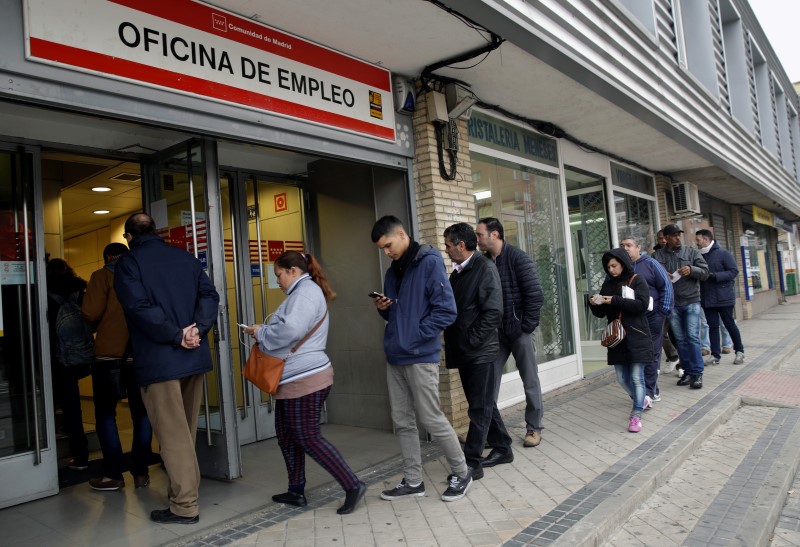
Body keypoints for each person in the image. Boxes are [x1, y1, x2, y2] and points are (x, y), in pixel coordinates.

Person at [114, 213, 219, 525]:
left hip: (161, 361)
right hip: (193, 358)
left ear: (128, 236)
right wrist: (197, 330)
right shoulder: (185, 258)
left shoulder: (128, 263)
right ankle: (185, 494)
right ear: (156, 232)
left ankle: (185, 505)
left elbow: (137, 307)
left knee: (173, 436)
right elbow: (210, 295)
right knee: (184, 430)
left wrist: (176, 336)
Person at [243, 251, 366, 515]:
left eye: (279, 275)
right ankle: (296, 490)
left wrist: (261, 331)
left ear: (293, 272)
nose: (277, 281)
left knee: (307, 437)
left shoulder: (305, 293)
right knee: (287, 437)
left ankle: (352, 484)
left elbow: (290, 331)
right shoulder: (302, 293)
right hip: (293, 379)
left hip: (306, 379)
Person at [370, 215, 473, 503]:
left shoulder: (428, 262)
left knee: (431, 417)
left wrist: (415, 334)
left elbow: (446, 311)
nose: (387, 252)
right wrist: (383, 308)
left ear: (402, 234)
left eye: (389, 245)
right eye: (382, 249)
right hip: (396, 355)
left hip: (419, 355)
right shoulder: (392, 272)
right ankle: (414, 481)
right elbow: (395, 314)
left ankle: (462, 472)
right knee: (402, 421)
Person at [82, 243, 153, 491]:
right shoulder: (144, 275)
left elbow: (90, 312)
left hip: (108, 356)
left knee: (105, 416)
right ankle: (141, 472)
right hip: (141, 353)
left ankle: (113, 475)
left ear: (107, 258)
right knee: (142, 415)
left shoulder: (102, 276)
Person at [442, 223, 509, 474]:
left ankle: (472, 461)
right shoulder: (458, 272)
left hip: (481, 351)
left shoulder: (484, 268)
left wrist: (471, 340)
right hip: (465, 351)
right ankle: (503, 446)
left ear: (461, 245)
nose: (446, 249)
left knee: (479, 408)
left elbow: (493, 312)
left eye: (448, 245)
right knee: (481, 403)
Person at [475, 218, 545, 448]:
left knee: (530, 380)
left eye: (480, 234)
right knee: (488, 383)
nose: (477, 239)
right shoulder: (483, 262)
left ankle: (534, 428)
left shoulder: (518, 258)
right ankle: (486, 432)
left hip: (518, 331)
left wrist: (525, 327)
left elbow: (535, 295)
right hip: (495, 334)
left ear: (494, 235)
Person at [589, 248, 652, 433]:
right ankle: (641, 399)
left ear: (623, 263)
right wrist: (594, 304)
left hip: (637, 335)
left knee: (636, 377)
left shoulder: (637, 280)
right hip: (617, 339)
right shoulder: (607, 284)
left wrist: (614, 300)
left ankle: (636, 414)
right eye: (608, 266)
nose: (610, 269)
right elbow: (602, 313)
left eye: (614, 265)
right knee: (622, 378)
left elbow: (641, 305)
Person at [46, 258, 90, 470]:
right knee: (73, 405)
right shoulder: (79, 291)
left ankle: (68, 450)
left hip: (57, 359)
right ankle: (81, 456)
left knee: (63, 402)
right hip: (81, 357)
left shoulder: (44, 294)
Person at [653, 224, 709, 389]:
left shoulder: (691, 252)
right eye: (674, 236)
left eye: (679, 235)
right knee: (681, 340)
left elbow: (705, 272)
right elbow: (651, 278)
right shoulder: (657, 256)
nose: (678, 238)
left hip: (692, 300)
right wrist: (662, 274)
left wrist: (691, 269)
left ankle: (697, 374)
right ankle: (687, 372)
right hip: (672, 303)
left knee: (692, 337)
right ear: (666, 238)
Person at [620, 236, 673, 408]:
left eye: (629, 245)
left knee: (651, 354)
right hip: (633, 319)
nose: (625, 248)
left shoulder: (650, 263)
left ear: (638, 247)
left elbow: (666, 286)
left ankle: (648, 392)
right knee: (638, 355)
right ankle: (650, 390)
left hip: (653, 316)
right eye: (622, 246)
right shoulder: (622, 268)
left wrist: (663, 311)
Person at [695, 229, 745, 365]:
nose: (696, 243)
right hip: (707, 298)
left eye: (698, 240)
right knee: (712, 326)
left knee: (729, 324)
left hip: (724, 297)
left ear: (706, 239)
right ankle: (715, 355)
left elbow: (734, 271)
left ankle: (740, 352)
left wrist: (715, 276)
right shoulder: (699, 255)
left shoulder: (723, 253)